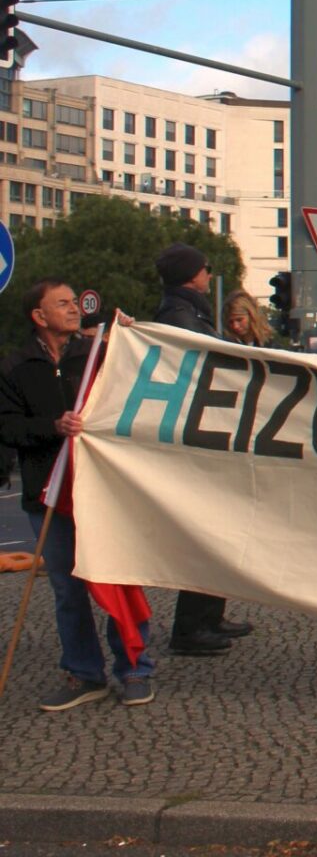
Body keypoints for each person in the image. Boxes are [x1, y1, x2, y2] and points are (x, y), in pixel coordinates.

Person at [0, 281, 157, 710]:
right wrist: (53, 426)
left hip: (103, 493)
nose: (74, 309)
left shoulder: (94, 356)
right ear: (38, 315)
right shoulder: (15, 367)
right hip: (47, 494)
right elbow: (7, 427)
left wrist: (131, 338)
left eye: (74, 302)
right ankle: (84, 673)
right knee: (68, 590)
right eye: (63, 304)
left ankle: (135, 669)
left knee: (118, 577)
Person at [151, 242, 251, 657]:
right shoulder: (181, 315)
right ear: (192, 275)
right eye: (206, 269)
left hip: (205, 432)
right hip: (197, 438)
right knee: (205, 535)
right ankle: (190, 628)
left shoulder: (189, 312)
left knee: (218, 532)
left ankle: (210, 614)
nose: (210, 275)